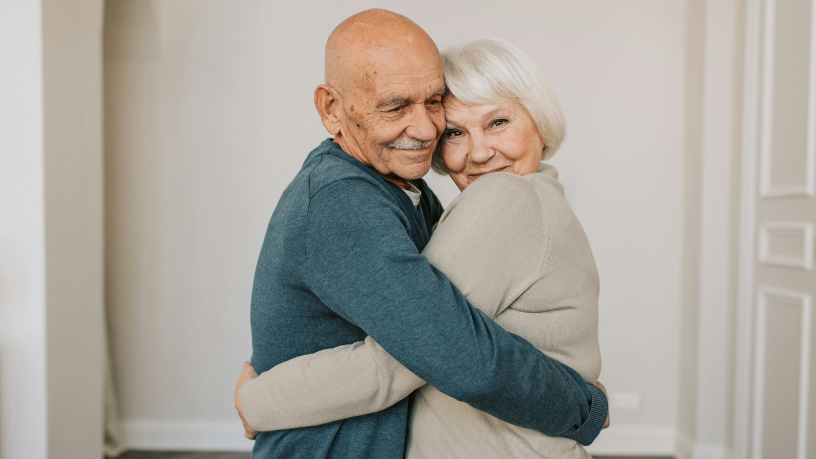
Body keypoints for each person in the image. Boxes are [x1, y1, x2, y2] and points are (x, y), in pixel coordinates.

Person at [239, 9, 608, 459]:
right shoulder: (344, 201)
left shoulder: (413, 190)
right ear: (332, 109)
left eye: (434, 102)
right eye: (396, 106)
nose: (426, 128)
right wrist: (583, 403)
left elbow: (452, 348)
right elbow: (451, 353)